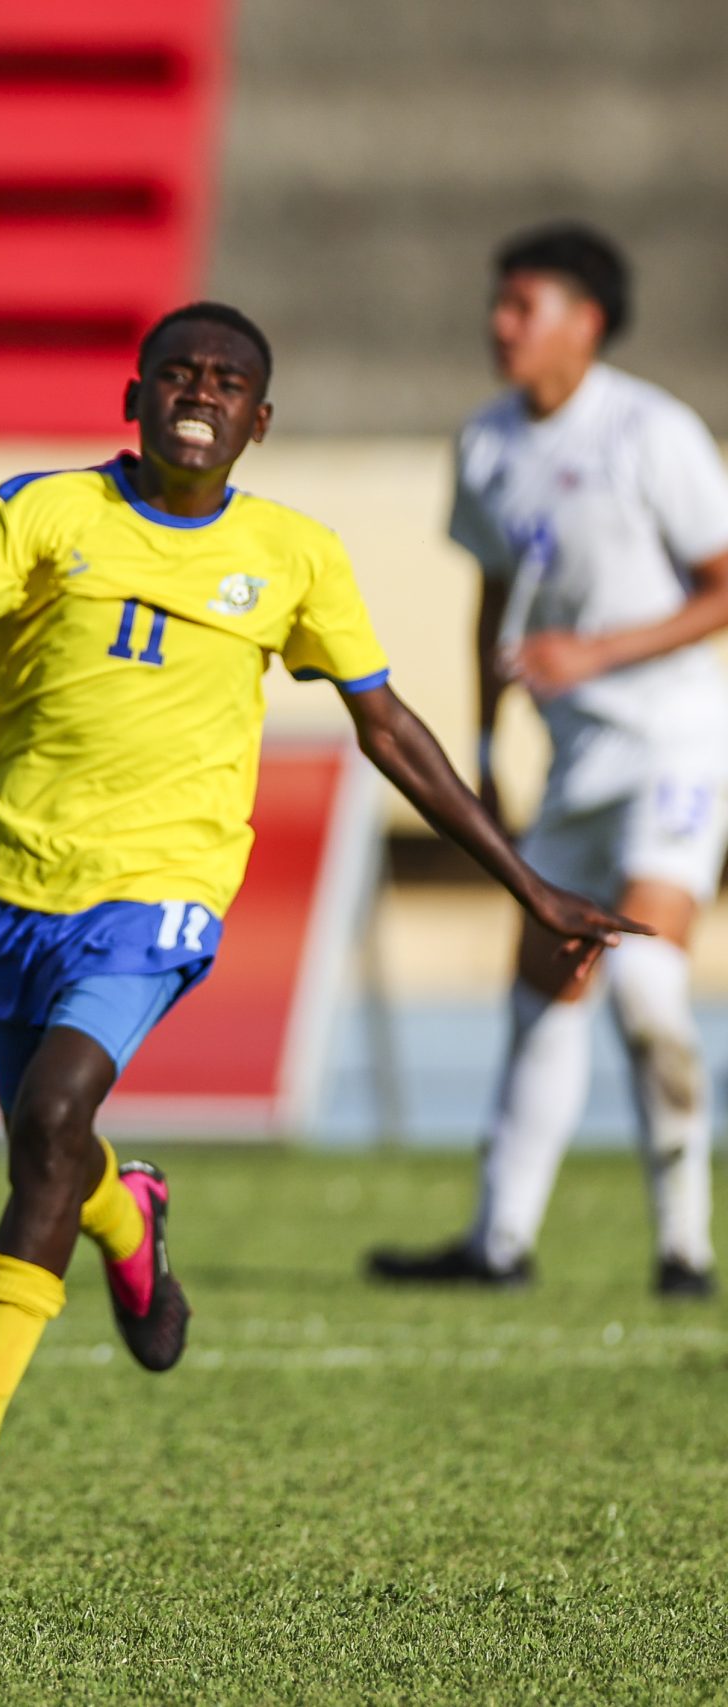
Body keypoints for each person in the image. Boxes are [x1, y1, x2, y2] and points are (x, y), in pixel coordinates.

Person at [0, 302, 639, 1537]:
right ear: (135, 396)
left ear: (260, 421)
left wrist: (525, 882)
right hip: (11, 886)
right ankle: (128, 1214)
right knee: (50, 1154)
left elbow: (390, 728)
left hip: (162, 892)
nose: (199, 394)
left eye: (227, 382)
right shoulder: (38, 513)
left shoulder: (296, 555)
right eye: (177, 374)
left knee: (53, 1114)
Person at [370, 225, 728, 1298]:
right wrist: (485, 747)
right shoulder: (485, 444)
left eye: (523, 306)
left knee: (645, 983)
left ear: (587, 323)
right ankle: (499, 1240)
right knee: (541, 987)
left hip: (673, 739)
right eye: (500, 303)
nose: (500, 324)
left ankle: (684, 1248)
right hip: (572, 760)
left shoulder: (651, 433)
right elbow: (493, 601)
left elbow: (722, 585)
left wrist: (599, 652)